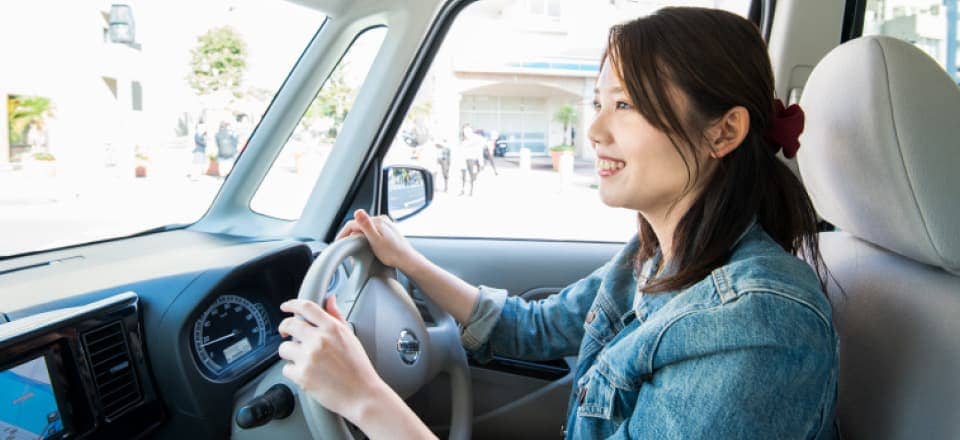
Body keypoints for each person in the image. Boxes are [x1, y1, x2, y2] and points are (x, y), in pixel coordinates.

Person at [276, 7, 838, 439]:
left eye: (626, 104)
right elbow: (533, 329)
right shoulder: (653, 257)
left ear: (724, 131)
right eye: (598, 103)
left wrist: (364, 398)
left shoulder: (754, 323)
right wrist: (408, 261)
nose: (594, 131)